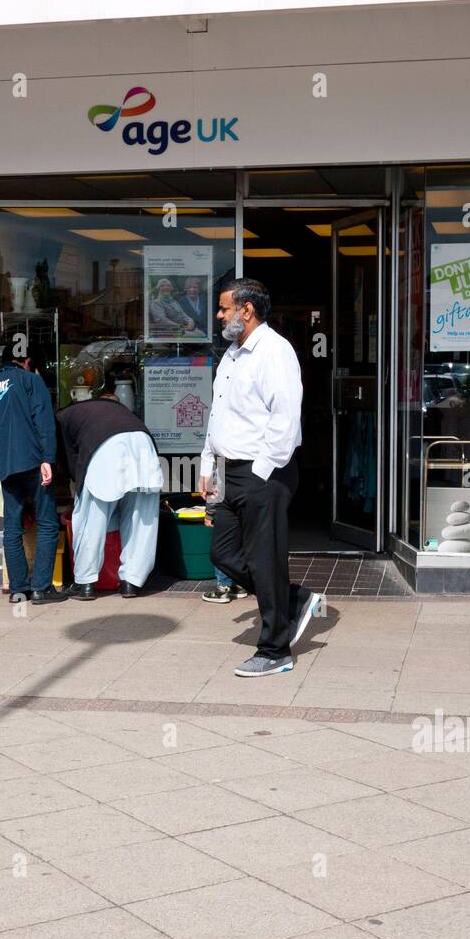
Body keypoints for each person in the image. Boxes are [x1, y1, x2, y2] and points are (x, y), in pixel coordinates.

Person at [200, 278, 323, 677]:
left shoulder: (275, 352)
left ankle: (275, 650)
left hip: (263, 472)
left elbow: (285, 419)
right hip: (230, 471)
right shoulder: (232, 356)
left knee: (264, 559)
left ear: (246, 310)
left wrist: (260, 472)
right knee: (223, 553)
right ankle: (294, 599)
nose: (219, 315)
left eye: (223, 308)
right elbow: (219, 414)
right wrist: (208, 465)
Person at [56, 371, 163, 599]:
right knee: (141, 518)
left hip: (106, 449)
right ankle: (131, 582)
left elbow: (70, 462)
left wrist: (76, 488)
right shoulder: (107, 409)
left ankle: (85, 583)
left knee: (89, 518)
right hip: (143, 445)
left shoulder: (62, 419)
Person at [0, 351, 66, 604]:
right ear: (28, 363)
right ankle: (42, 588)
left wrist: (1, 466)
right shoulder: (31, 380)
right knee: (47, 523)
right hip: (34, 461)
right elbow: (44, 421)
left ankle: (19, 590)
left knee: (12, 528)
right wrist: (48, 459)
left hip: (7, 466)